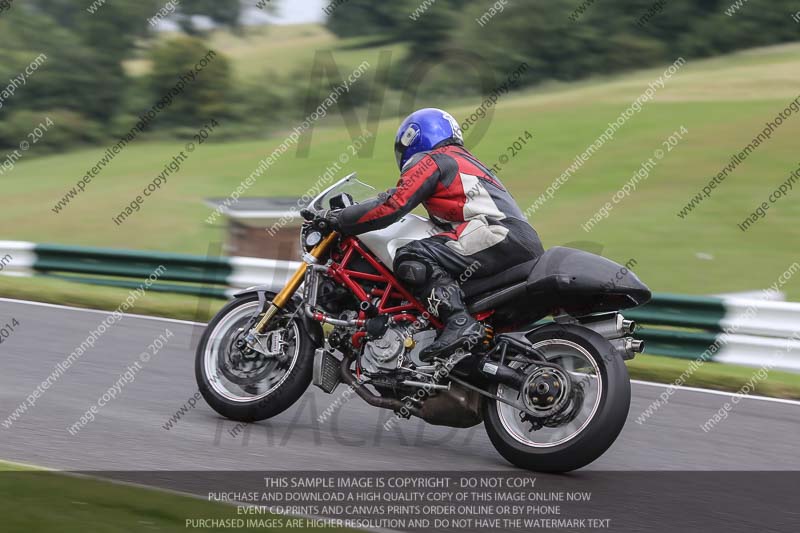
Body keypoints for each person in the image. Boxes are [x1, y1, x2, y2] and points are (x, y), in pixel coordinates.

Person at [330, 108, 544, 360]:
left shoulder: (434, 159)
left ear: (414, 137)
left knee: (411, 255)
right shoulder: (464, 161)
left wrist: (340, 219)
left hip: (497, 233)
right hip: (518, 241)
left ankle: (457, 320)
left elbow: (393, 205)